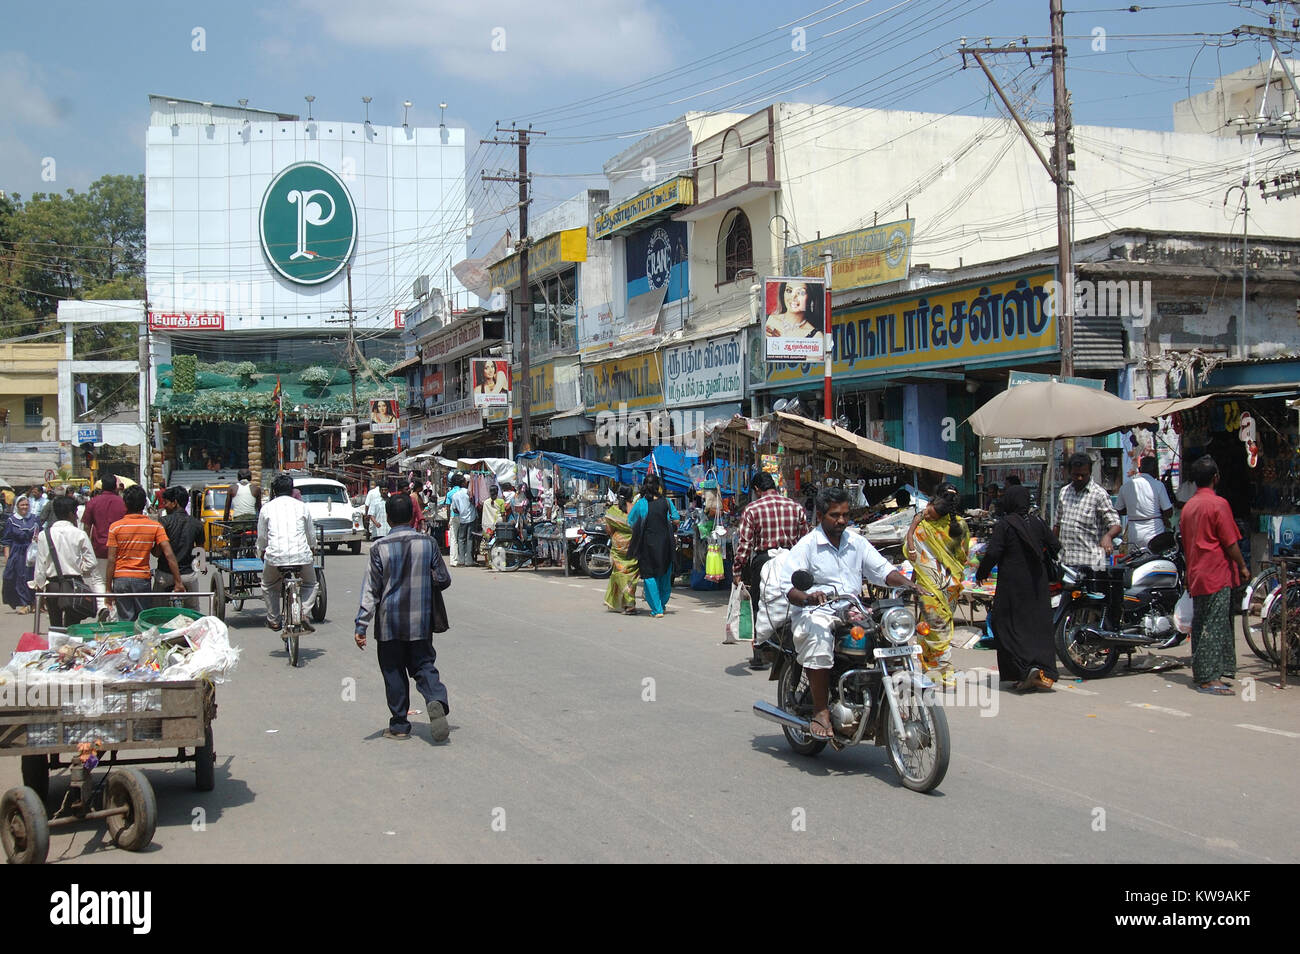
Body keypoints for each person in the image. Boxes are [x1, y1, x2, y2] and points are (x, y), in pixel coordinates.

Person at [779, 487, 920, 739]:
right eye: (835, 515)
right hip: (817, 611)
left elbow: (882, 570)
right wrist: (809, 596)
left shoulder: (857, 542)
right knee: (820, 638)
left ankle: (891, 703)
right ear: (820, 516)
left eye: (845, 514)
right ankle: (821, 711)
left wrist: (907, 583)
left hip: (852, 608)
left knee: (893, 636)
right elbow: (788, 586)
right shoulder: (807, 546)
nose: (842, 520)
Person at [354, 493, 452, 742]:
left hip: (389, 624)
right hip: (420, 622)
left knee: (393, 671)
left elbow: (371, 590)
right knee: (423, 665)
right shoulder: (428, 543)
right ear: (412, 516)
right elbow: (443, 579)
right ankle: (435, 699)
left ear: (387, 517)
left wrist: (361, 625)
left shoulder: (378, 548)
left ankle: (399, 725)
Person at [975, 484, 1060, 691]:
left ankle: (1022, 669)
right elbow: (1056, 546)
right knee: (1036, 626)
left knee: (1006, 625)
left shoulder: (1005, 524)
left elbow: (994, 553)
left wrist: (981, 573)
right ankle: (1042, 670)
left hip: (1012, 585)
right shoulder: (1038, 523)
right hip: (1037, 584)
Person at [1180, 455, 1248, 696]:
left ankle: (1207, 672)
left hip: (1197, 572)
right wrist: (1242, 565)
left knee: (1201, 623)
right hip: (1216, 573)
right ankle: (1209, 678)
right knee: (1213, 624)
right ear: (1215, 477)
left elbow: (1187, 544)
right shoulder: (1218, 505)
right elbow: (1230, 542)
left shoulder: (1188, 507)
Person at [733, 472, 809, 669]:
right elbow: (805, 540)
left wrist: (737, 569)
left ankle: (760, 653)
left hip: (764, 561)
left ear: (757, 489)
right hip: (791, 561)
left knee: (762, 604)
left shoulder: (752, 509)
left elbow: (745, 544)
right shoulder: (795, 507)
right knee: (794, 602)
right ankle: (794, 646)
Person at [904, 482, 970, 688]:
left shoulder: (924, 526)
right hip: (950, 584)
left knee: (933, 627)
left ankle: (944, 668)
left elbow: (910, 552)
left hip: (929, 586)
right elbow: (963, 555)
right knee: (937, 625)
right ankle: (933, 669)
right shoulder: (961, 526)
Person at [104, 485, 185, 622]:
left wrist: (108, 589)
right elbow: (169, 554)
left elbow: (111, 560)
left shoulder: (115, 527)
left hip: (120, 580)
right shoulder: (155, 526)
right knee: (143, 620)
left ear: (125, 504)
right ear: (143, 504)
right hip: (141, 579)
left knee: (125, 621)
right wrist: (178, 582)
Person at [258, 474, 319, 635]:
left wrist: (261, 551)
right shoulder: (302, 506)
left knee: (269, 585)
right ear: (292, 490)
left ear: (274, 491)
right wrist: (313, 548)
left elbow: (262, 538)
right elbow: (311, 534)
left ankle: (274, 619)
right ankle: (304, 612)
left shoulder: (266, 508)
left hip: (275, 557)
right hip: (302, 556)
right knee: (311, 584)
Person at [33, 495, 100, 628]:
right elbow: (92, 562)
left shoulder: (43, 535)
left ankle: (57, 647)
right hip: (74, 585)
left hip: (53, 586)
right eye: (75, 513)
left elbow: (40, 566)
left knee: (55, 625)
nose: (76, 517)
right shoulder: (79, 534)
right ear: (70, 514)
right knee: (73, 627)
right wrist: (81, 568)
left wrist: (39, 586)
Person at [1055, 451, 1121, 570]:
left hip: (1092, 563)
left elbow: (1115, 524)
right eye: (1075, 475)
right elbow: (1058, 525)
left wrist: (1108, 536)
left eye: (1083, 475)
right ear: (1070, 472)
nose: (1079, 478)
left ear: (1090, 473)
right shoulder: (1064, 492)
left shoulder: (1099, 494)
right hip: (1066, 561)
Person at [628, 474, 679, 618]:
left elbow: (631, 521)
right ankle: (661, 604)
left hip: (646, 544)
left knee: (649, 575)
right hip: (666, 544)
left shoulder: (641, 503)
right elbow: (676, 519)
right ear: (658, 486)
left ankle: (657, 609)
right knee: (664, 574)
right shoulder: (667, 502)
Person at [156, 486, 206, 611]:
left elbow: (157, 553)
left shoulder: (163, 522)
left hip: (165, 576)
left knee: (156, 611)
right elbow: (200, 551)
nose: (164, 506)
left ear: (175, 503)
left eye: (166, 502)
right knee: (194, 611)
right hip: (188, 576)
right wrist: (202, 566)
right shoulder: (196, 523)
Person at [1117, 455, 1174, 550]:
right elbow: (1168, 512)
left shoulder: (1126, 486)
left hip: (1134, 533)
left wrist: (1134, 510)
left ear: (1139, 469)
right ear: (1156, 470)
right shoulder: (1158, 485)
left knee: (1135, 561)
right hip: (1154, 531)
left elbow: (1119, 510)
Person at [604, 485, 640, 615]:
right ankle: (629, 602)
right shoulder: (636, 508)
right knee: (631, 576)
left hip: (619, 547)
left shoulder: (613, 510)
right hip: (634, 545)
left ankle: (629, 604)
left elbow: (609, 530)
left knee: (620, 574)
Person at [2, 495, 40, 614]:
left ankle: (34, 602)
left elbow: (42, 535)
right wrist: (8, 557)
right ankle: (24, 603)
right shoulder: (12, 520)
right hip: (17, 552)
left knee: (33, 577)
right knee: (19, 577)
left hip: (32, 552)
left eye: (26, 505)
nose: (24, 507)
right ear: (17, 506)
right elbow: (6, 540)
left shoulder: (34, 519)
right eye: (22, 505)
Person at [448, 475, 477, 567]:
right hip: (471, 518)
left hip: (462, 519)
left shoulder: (455, 495)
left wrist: (461, 511)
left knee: (461, 539)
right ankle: (469, 560)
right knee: (470, 539)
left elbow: (454, 509)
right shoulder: (469, 492)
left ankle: (461, 560)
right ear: (463, 483)